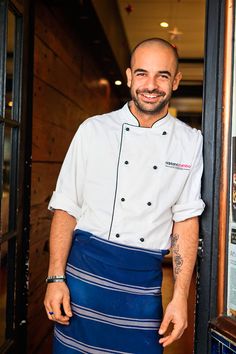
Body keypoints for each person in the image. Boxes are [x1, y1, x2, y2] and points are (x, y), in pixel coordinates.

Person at [44, 37, 205, 354]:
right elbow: (66, 208)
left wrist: (180, 298)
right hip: (82, 280)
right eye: (143, 73)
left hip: (141, 286)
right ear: (130, 76)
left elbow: (186, 221)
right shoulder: (93, 130)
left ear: (175, 81)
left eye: (162, 75)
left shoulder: (190, 142)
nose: (151, 85)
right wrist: (54, 278)